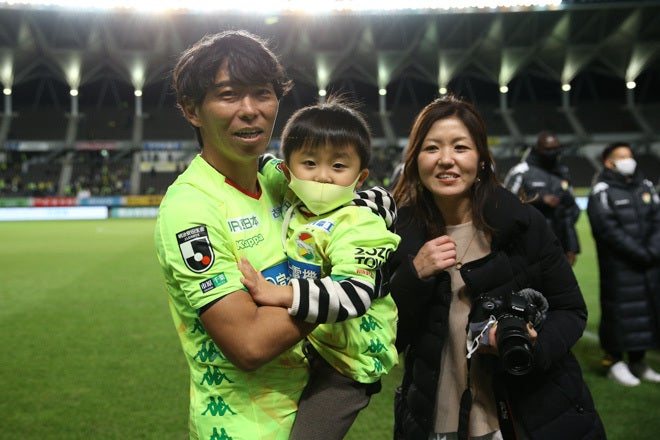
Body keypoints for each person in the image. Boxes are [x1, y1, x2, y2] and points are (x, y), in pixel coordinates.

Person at [385, 95, 605, 440]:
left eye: (460, 147)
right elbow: (386, 338)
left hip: (523, 416)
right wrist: (415, 275)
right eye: (431, 148)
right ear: (414, 161)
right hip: (434, 419)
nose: (446, 160)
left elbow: (571, 309)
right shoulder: (398, 233)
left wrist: (532, 348)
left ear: (482, 159)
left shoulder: (522, 223)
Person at [153, 30, 314, 440]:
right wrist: (347, 286)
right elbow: (250, 343)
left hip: (312, 415)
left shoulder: (280, 178)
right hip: (244, 428)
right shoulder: (191, 208)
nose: (250, 110)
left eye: (262, 93)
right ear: (192, 110)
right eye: (228, 95)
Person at [238, 97, 401, 439]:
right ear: (289, 170)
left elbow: (354, 296)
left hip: (347, 364)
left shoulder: (359, 223)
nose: (323, 176)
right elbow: (261, 161)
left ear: (361, 177)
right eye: (310, 163)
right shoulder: (295, 195)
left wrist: (278, 294)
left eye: (339, 166)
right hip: (310, 345)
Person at [586, 141, 660, 386]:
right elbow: (607, 230)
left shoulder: (646, 186)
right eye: (623, 157)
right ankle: (615, 361)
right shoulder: (602, 192)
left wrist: (652, 249)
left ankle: (638, 361)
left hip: (648, 262)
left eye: (631, 155)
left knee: (645, 312)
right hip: (620, 267)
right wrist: (640, 252)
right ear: (609, 162)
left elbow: (657, 221)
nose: (630, 160)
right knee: (620, 312)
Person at [503, 131, 581, 266]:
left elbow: (569, 212)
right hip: (528, 246)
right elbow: (507, 203)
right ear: (538, 149)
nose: (554, 152)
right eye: (549, 149)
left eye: (557, 149)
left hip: (559, 246)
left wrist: (571, 248)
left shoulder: (563, 172)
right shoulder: (521, 171)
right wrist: (540, 199)